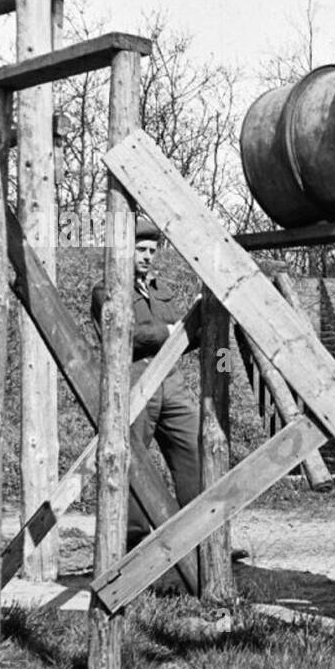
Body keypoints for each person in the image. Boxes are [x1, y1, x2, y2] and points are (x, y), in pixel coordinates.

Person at [90, 218, 201, 561]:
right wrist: (171, 331)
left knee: (195, 449)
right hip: (133, 381)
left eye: (153, 250)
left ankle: (200, 536)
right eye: (141, 249)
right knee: (132, 460)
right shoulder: (105, 290)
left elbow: (184, 336)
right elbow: (124, 337)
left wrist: (196, 320)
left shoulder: (160, 289)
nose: (148, 256)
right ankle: (132, 549)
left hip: (172, 379)